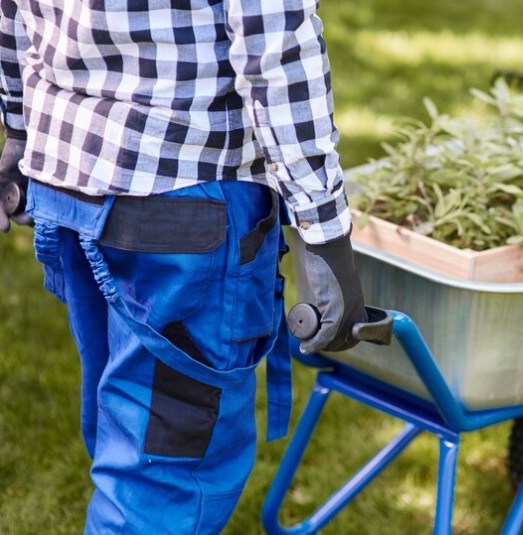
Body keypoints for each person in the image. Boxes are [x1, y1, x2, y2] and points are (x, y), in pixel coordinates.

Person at [0, 0, 366, 533]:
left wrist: (18, 131)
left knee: (133, 436)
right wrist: (326, 230)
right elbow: (276, 47)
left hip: (70, 177)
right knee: (164, 478)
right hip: (183, 202)